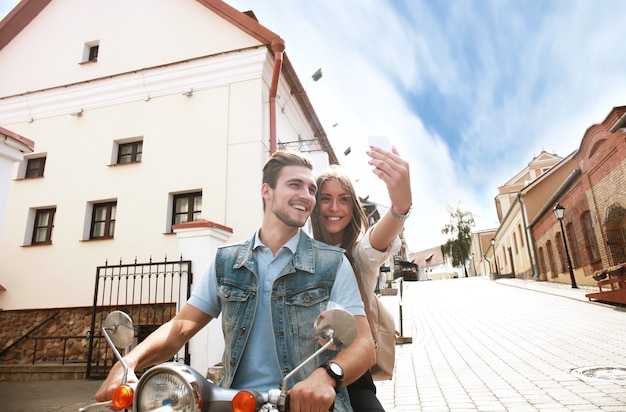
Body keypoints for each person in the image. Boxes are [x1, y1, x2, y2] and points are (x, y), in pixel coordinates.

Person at [95, 150, 376, 412]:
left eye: (311, 189)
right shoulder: (227, 261)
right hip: (235, 404)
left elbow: (364, 345)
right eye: (295, 185)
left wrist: (327, 376)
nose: (307, 195)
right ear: (267, 190)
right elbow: (179, 328)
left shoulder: (332, 262)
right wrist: (128, 363)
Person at [310, 145, 412, 412]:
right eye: (325, 198)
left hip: (352, 371)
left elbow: (376, 241)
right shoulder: (302, 252)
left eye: (344, 199)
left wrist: (400, 207)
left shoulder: (358, 256)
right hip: (302, 367)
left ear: (353, 207)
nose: (335, 207)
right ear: (313, 203)